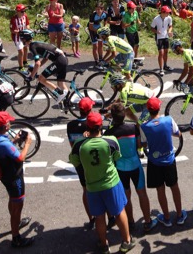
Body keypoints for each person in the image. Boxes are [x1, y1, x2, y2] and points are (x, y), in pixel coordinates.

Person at [69, 112, 134, 254]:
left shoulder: (79, 144)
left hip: (92, 186)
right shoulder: (110, 141)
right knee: (119, 211)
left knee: (99, 217)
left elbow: (75, 161)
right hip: (111, 183)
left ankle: (104, 245)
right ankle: (126, 241)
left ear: (88, 126)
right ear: (101, 126)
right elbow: (117, 157)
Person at [104, 102, 158, 234]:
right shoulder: (133, 128)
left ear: (112, 116)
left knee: (126, 196)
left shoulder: (109, 133)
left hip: (121, 169)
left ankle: (131, 222)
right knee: (142, 194)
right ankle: (147, 222)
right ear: (124, 115)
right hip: (135, 165)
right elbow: (140, 144)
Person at [0, 111, 35, 248]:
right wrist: (27, 144)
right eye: (9, 122)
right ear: (5, 126)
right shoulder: (4, 144)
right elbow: (20, 158)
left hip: (5, 176)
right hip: (14, 177)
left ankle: (16, 222)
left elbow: (4, 148)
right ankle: (16, 238)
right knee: (17, 207)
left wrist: (15, 140)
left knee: (12, 200)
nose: (10, 123)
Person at [139, 97, 187, 227]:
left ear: (148, 110)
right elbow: (178, 134)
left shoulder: (144, 126)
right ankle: (179, 215)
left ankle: (166, 217)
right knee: (174, 187)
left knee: (160, 190)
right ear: (159, 108)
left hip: (155, 162)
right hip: (169, 160)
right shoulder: (168, 120)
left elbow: (143, 143)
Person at [66, 97, 96, 231]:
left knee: (86, 190)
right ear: (90, 109)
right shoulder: (93, 124)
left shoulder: (70, 125)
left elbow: (72, 144)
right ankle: (110, 216)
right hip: (94, 160)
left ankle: (91, 219)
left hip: (79, 160)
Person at [19, 30, 70, 103]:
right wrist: (34, 68)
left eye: (21, 39)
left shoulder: (32, 47)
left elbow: (38, 63)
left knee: (41, 78)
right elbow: (46, 58)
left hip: (59, 61)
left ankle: (59, 93)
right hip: (63, 59)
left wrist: (31, 77)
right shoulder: (36, 43)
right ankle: (67, 102)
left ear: (24, 39)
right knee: (60, 83)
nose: (21, 40)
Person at [151, 6, 173, 75]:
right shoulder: (156, 19)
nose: (168, 13)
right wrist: (157, 32)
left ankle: (165, 65)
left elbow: (170, 26)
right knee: (161, 53)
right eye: (167, 12)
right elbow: (152, 28)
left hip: (166, 36)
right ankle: (161, 69)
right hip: (159, 37)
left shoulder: (169, 18)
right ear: (163, 12)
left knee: (166, 52)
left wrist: (169, 31)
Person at [10, 4, 31, 69]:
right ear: (17, 12)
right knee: (21, 51)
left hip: (25, 35)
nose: (23, 13)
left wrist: (28, 29)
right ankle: (21, 67)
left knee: (25, 48)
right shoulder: (13, 19)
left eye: (24, 11)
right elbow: (12, 30)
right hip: (17, 37)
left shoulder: (25, 16)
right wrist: (17, 31)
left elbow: (27, 24)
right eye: (22, 11)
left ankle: (25, 61)